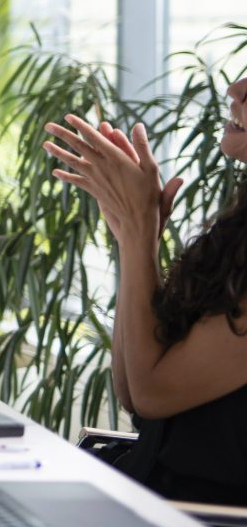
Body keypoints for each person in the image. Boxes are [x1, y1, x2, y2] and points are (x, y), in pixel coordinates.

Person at [45, 74, 247, 504]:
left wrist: (140, 232)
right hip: (144, 493)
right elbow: (132, 389)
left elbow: (152, 394)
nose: (236, 89)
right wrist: (133, 238)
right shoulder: (237, 230)